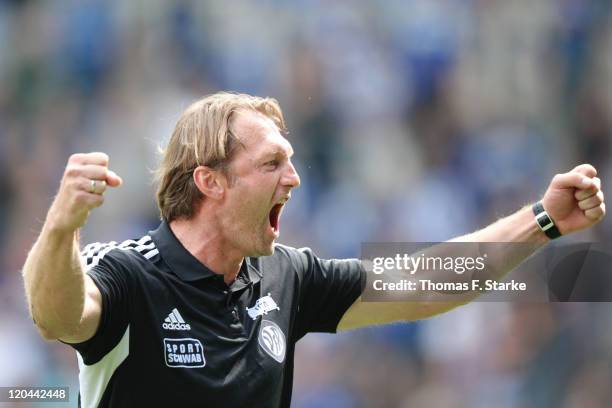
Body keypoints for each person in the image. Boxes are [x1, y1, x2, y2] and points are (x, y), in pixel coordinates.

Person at [22, 92, 606, 407]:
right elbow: (56, 315)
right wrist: (62, 226)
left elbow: (427, 283)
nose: (294, 179)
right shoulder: (126, 272)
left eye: (293, 161)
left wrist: (543, 220)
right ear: (210, 182)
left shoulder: (285, 275)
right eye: (272, 163)